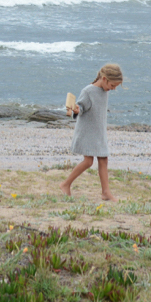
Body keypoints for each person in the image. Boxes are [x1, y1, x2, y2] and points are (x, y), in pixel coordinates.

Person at [59, 63, 123, 201]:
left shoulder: (104, 91)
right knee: (88, 162)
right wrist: (76, 109)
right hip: (87, 131)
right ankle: (65, 184)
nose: (113, 89)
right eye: (113, 85)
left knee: (103, 159)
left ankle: (106, 192)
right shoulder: (88, 91)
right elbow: (81, 107)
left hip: (99, 131)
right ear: (104, 79)